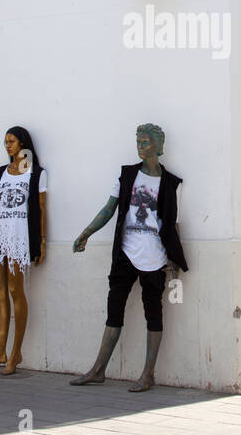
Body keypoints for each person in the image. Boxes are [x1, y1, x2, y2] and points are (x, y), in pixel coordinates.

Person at [70, 123, 187, 392]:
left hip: (155, 257)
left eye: (145, 142)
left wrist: (175, 260)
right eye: (138, 141)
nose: (140, 146)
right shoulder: (126, 176)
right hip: (125, 253)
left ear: (158, 146)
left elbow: (173, 223)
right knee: (114, 310)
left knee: (153, 313)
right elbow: (108, 209)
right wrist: (86, 232)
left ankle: (148, 374)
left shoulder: (171, 184)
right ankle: (98, 369)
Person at [0, 126, 48, 375]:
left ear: (23, 144)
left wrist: (41, 241)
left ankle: (16, 352)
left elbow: (41, 208)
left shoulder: (36, 173)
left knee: (15, 289)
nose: (7, 145)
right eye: (5, 141)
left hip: (20, 236)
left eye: (12, 141)